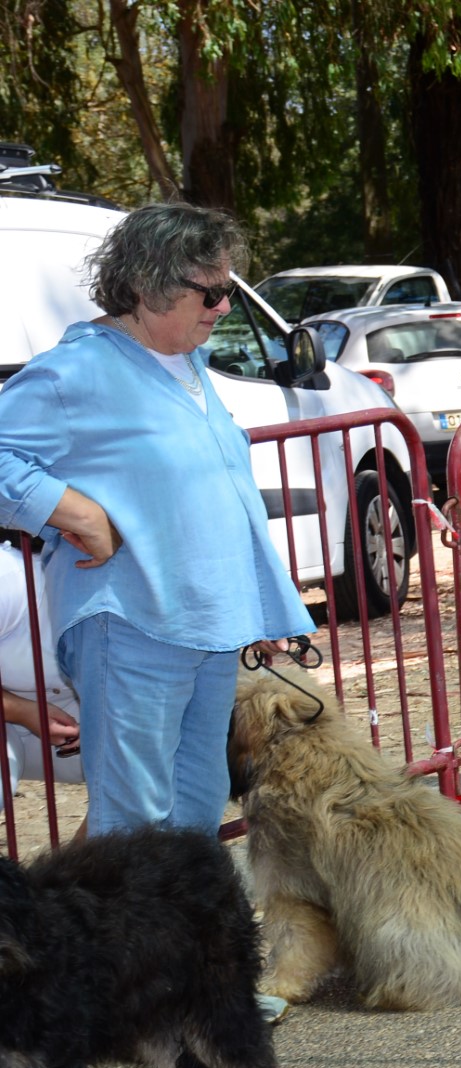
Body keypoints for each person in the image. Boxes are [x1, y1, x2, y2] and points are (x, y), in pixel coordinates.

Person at [0, 202, 313, 836]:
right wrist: (73, 511)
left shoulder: (189, 363)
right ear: (147, 285)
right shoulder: (77, 370)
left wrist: (252, 609)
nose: (224, 306)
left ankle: (178, 936)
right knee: (133, 825)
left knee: (194, 809)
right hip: (133, 623)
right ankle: (117, 938)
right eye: (212, 292)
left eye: (228, 290)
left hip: (206, 627)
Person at [0, 540, 84, 797]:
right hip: (17, 714)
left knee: (172, 761)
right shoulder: (10, 579)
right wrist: (22, 711)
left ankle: (91, 840)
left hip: (66, 727)